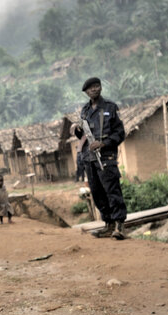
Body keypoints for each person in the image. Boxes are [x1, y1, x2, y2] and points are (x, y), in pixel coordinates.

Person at [71, 77, 127, 240]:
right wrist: (76, 129)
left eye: (97, 86)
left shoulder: (110, 107)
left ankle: (119, 226)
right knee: (97, 192)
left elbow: (120, 133)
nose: (95, 89)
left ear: (100, 88)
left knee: (112, 191)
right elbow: (82, 135)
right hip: (89, 159)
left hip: (106, 157)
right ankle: (108, 225)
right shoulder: (85, 111)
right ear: (86, 92)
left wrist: (103, 143)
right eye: (91, 88)